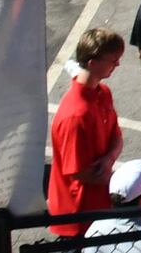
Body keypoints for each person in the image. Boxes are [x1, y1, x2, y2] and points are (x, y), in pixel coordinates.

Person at [49, 26, 127, 228]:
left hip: (99, 209)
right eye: (112, 60)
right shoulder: (75, 116)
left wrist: (109, 158)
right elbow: (79, 172)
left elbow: (116, 136)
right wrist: (122, 185)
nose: (118, 64)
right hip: (78, 218)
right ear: (92, 63)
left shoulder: (103, 92)